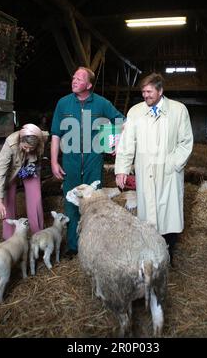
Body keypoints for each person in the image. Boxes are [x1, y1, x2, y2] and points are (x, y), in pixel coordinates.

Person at [115, 72, 193, 265]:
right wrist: (122, 169)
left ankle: (168, 255)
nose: (145, 95)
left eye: (149, 91)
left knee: (170, 216)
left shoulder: (178, 110)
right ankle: (151, 256)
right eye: (143, 92)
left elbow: (186, 142)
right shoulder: (135, 112)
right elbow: (127, 143)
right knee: (148, 216)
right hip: (145, 171)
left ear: (160, 91)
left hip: (169, 173)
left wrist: (173, 164)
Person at [51, 66, 124, 259]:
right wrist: (53, 162)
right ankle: (74, 246)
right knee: (71, 201)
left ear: (89, 85)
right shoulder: (63, 103)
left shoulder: (101, 103)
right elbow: (56, 134)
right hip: (70, 160)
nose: (74, 81)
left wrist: (115, 141)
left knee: (95, 202)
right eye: (73, 78)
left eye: (79, 79)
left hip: (94, 158)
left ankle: (94, 243)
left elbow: (121, 120)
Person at [0, 123, 49, 240]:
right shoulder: (10, 143)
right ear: (20, 140)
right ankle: (10, 238)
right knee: (8, 200)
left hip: (31, 165)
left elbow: (43, 142)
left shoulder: (42, 137)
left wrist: (32, 160)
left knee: (35, 199)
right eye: (25, 146)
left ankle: (38, 235)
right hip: (11, 168)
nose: (27, 150)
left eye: (31, 148)